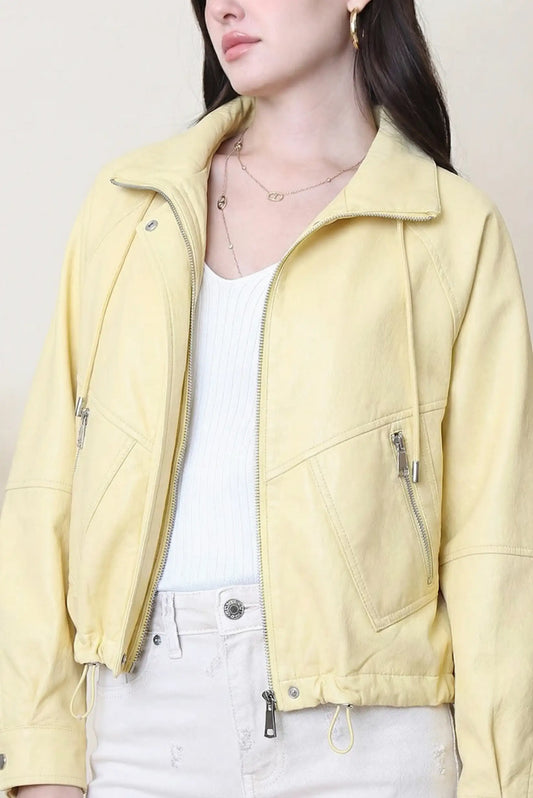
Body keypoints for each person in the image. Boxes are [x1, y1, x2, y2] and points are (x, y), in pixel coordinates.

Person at [1, 0, 532, 795]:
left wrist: (500, 780)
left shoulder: (448, 230)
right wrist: (41, 757)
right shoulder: (131, 206)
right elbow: (44, 497)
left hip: (367, 741)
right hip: (145, 729)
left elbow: (494, 548)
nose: (224, 7)